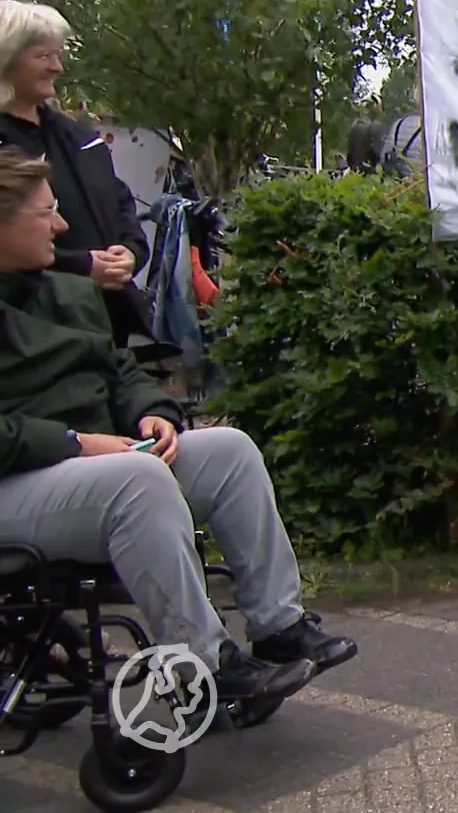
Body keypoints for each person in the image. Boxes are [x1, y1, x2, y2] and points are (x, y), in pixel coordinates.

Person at [0, 152, 358, 702]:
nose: (64, 225)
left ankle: (278, 627)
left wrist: (153, 413)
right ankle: (204, 666)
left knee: (229, 451)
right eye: (47, 212)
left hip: (92, 465)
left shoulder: (63, 292)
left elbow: (117, 370)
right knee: (135, 482)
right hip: (20, 479)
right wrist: (78, 444)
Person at [0, 1, 153, 347]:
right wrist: (80, 267)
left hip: (105, 318)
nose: (56, 67)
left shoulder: (78, 137)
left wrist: (129, 252)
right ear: (7, 59)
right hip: (32, 326)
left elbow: (119, 200)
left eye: (58, 55)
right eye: (44, 57)